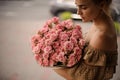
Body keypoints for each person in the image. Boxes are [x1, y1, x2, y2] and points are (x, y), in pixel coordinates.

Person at [53, 0, 118, 80]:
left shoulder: (101, 36)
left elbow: (80, 78)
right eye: (77, 6)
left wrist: (52, 60)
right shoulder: (99, 21)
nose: (78, 12)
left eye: (84, 7)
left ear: (101, 4)